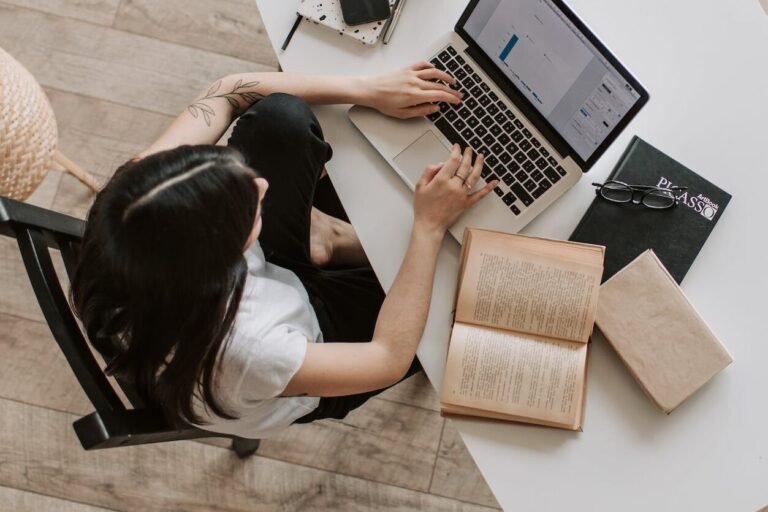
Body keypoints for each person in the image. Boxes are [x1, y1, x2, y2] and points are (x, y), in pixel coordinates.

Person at [71, 62, 498, 439]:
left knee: (279, 118)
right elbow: (386, 357)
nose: (261, 185)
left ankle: (323, 241)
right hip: (310, 348)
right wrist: (427, 227)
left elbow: (226, 91)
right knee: (464, 295)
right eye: (248, 208)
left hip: (244, 294)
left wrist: (367, 88)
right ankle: (330, 243)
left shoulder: (135, 202)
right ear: (223, 260)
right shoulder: (252, 350)